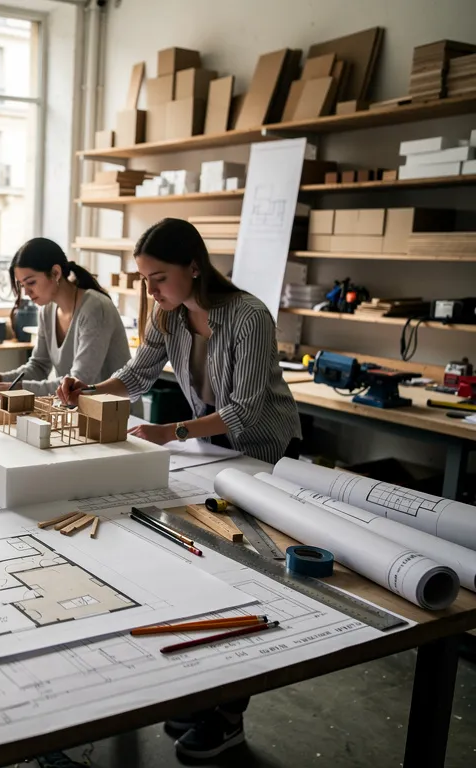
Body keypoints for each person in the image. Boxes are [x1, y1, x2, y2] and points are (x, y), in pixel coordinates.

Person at [58, 218, 301, 760]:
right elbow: (140, 373)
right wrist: (90, 389)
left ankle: (230, 716)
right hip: (214, 455)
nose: (151, 290)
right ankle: (208, 695)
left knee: (248, 580)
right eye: (144, 279)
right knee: (205, 572)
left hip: (266, 458)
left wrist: (172, 432)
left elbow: (246, 409)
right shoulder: (167, 315)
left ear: (194, 266)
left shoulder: (249, 317)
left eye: (158, 277)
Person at [0, 237, 130, 397]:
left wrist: (13, 388)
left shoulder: (95, 308)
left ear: (55, 273)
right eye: (22, 285)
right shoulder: (47, 310)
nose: (26, 292)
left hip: (118, 415)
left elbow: (79, 383)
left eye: (31, 283)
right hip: (78, 410)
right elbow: (38, 366)